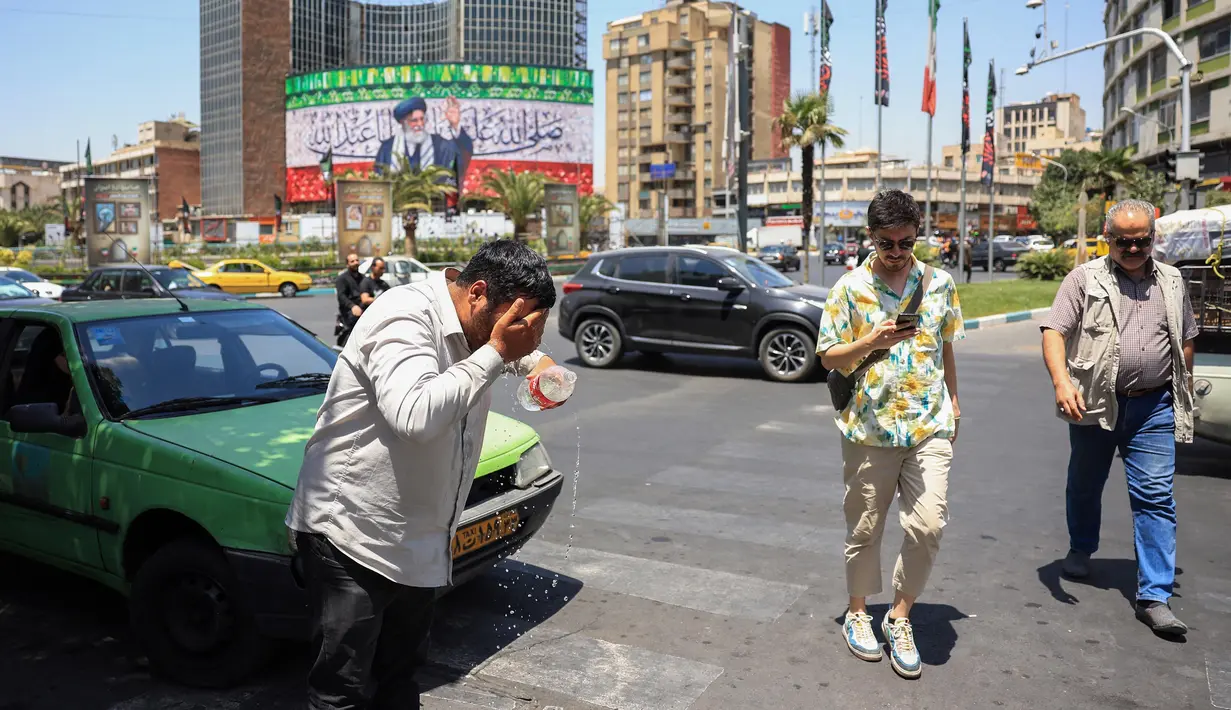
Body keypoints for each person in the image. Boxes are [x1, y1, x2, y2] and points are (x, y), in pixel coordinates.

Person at [286, 240, 566, 709]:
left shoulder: (476, 325)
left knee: (401, 677)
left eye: (532, 325)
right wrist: (498, 350)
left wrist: (541, 363)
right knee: (342, 690)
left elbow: (514, 354)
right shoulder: (404, 316)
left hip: (421, 538)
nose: (523, 334)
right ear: (477, 293)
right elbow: (414, 416)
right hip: (355, 534)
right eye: (518, 322)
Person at [817, 189, 964, 680]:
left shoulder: (939, 283)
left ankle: (899, 616)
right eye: (887, 243)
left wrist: (956, 403)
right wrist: (870, 341)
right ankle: (858, 611)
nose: (897, 252)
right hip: (868, 427)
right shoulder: (848, 289)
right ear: (871, 238)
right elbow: (828, 357)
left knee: (928, 525)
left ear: (917, 235)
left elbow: (945, 348)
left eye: (906, 242)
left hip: (928, 424)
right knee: (865, 526)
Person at [1039, 199, 1198, 636]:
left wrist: (1181, 386)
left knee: (1155, 496)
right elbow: (1054, 331)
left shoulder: (1171, 280)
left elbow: (1186, 336)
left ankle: (1155, 596)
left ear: (1153, 238)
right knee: (1086, 484)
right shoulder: (1083, 279)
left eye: (1142, 240)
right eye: (1123, 241)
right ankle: (1080, 547)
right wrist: (1061, 382)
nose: (1133, 248)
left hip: (1153, 407)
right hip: (1094, 403)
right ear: (1107, 238)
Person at [374, 96, 474, 189]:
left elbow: (462, 154)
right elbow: (380, 183)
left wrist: (455, 125)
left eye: (422, 119)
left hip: (434, 204)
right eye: (414, 120)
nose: (420, 124)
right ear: (403, 123)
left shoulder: (439, 144)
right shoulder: (387, 149)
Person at [335, 253, 365, 347]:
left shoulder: (363, 278)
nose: (356, 263)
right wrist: (352, 306)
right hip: (349, 310)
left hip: (363, 308)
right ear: (347, 264)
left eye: (357, 260)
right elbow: (341, 296)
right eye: (352, 261)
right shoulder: (342, 279)